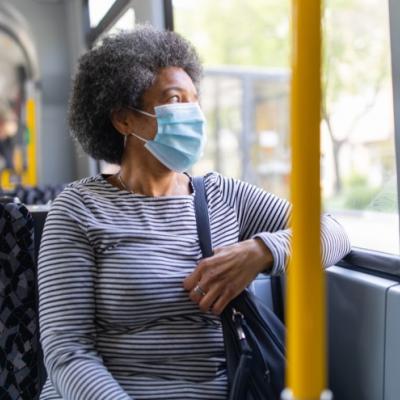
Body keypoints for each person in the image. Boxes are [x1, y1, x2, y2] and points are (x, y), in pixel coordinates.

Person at [38, 25, 351, 400]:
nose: (194, 115)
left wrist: (261, 252)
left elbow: (333, 232)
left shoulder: (222, 195)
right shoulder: (78, 209)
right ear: (124, 119)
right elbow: (68, 353)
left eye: (195, 100)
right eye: (175, 100)